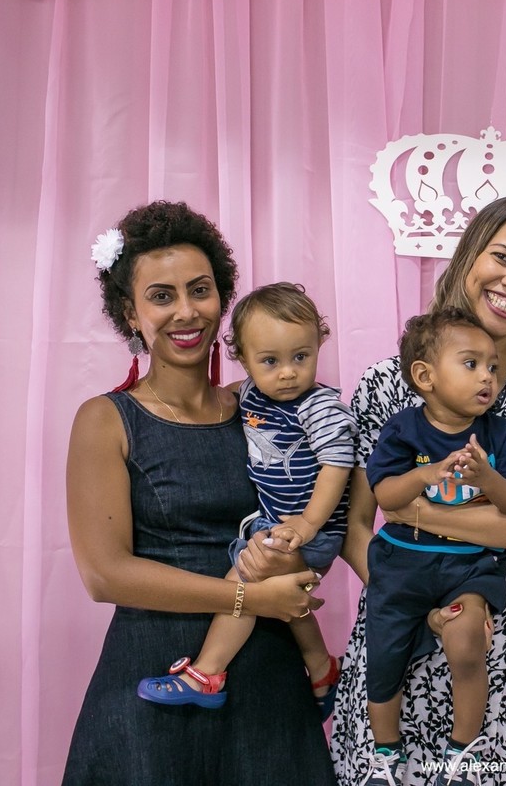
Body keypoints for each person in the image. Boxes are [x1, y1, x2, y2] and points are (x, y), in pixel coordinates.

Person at [235, 194, 506, 786]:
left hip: (493, 638)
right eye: (502, 257)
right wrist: (412, 599)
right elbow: (354, 525)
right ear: (467, 257)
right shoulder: (384, 382)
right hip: (395, 627)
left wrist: (418, 513)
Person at [63, 201, 335, 785]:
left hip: (267, 683)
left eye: (200, 290)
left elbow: (322, 503)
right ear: (130, 314)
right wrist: (253, 600)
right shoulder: (106, 420)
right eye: (161, 295)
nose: (186, 311)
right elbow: (104, 575)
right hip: (151, 681)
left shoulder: (265, 408)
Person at [135, 282, 353, 720]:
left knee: (245, 579)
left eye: (301, 357)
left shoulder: (319, 406)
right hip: (273, 523)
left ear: (319, 344)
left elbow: (337, 465)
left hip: (313, 530)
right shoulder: (250, 393)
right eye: (269, 361)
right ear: (243, 358)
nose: (288, 373)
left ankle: (207, 674)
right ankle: (321, 667)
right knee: (281, 594)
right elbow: (229, 396)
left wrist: (308, 525)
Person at [362, 307, 506, 783]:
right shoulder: (403, 429)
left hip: (468, 568)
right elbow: (385, 498)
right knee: (385, 657)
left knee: (466, 643)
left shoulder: (496, 433)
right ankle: (385, 754)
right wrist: (424, 473)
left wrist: (489, 478)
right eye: (472, 364)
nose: (488, 378)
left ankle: (463, 755)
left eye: (493, 367)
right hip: (401, 563)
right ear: (426, 376)